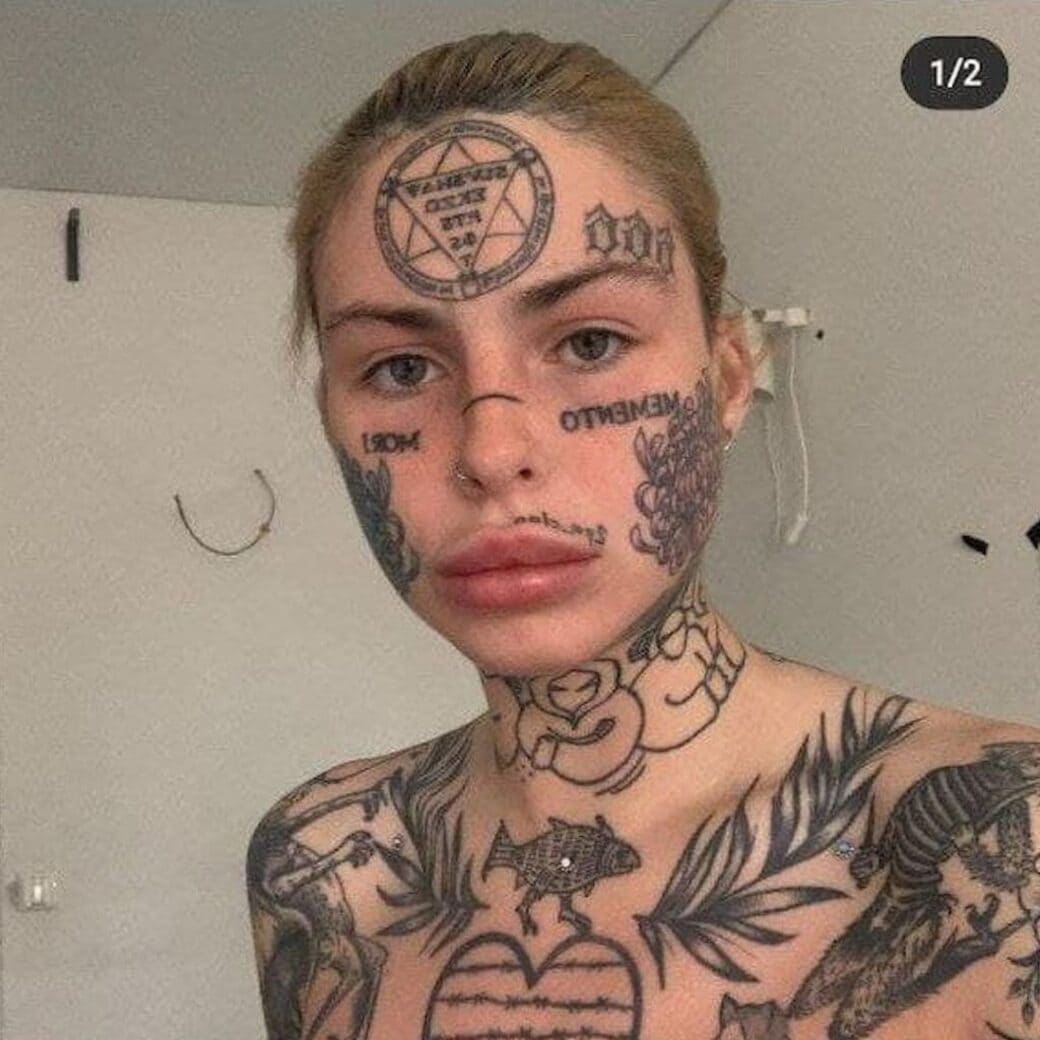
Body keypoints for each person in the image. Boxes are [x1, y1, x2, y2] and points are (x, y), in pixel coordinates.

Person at [246, 31, 1040, 1040]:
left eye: (589, 341)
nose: (490, 450)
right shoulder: (320, 868)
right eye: (400, 368)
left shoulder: (995, 853)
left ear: (726, 381)